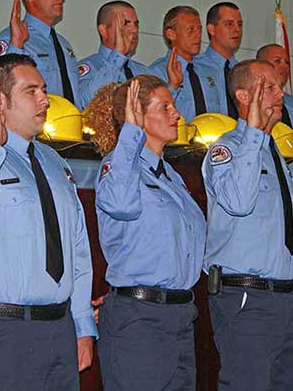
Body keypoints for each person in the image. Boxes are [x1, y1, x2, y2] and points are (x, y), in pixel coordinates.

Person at [0, 53, 97, 390]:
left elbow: (77, 251)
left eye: (44, 90)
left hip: (57, 329)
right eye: (31, 91)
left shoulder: (55, 163)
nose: (45, 100)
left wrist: (82, 326)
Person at [84, 75, 205, 390]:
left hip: (179, 314)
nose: (175, 114)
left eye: (174, 106)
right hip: (140, 318)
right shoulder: (117, 167)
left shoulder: (172, 177)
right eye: (164, 107)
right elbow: (121, 204)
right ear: (135, 115)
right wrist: (130, 134)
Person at [202, 59, 293, 391]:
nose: (279, 92)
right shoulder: (228, 149)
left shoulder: (275, 153)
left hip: (284, 296)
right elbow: (238, 202)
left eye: (278, 85)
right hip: (248, 297)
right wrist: (254, 133)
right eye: (267, 87)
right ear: (243, 95)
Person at [0, 0, 81, 108]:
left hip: (70, 126)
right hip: (35, 127)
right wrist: (16, 45)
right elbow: (1, 88)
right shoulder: (12, 37)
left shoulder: (64, 44)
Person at [147, 5, 223, 122]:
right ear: (171, 34)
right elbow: (152, 116)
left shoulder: (211, 71)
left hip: (212, 138)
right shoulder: (156, 72)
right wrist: (173, 86)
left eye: (199, 30)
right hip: (177, 138)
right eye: (191, 30)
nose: (198, 36)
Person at [77, 0, 150, 109]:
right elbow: (85, 104)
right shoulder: (89, 67)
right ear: (103, 30)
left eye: (136, 24)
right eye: (125, 24)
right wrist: (118, 54)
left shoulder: (143, 72)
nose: (134, 30)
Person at [195, 2, 243, 118]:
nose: (237, 29)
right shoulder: (195, 68)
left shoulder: (242, 72)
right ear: (211, 29)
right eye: (229, 24)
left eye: (239, 24)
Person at [257, 43, 293, 126]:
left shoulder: (290, 102)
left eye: (287, 62)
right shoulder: (252, 100)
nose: (285, 66)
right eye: (277, 61)